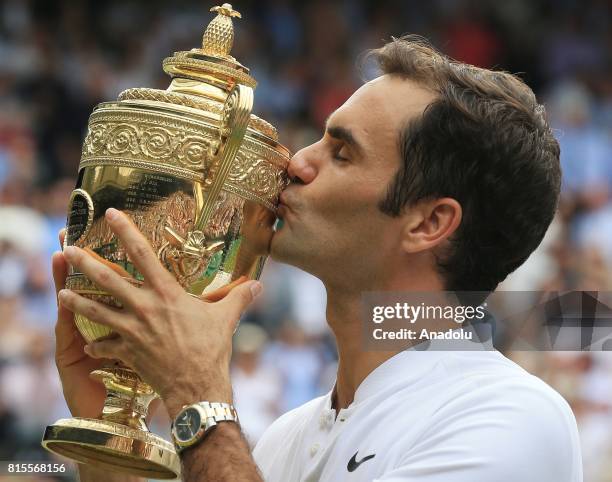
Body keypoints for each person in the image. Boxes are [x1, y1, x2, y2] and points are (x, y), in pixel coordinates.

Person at [53, 37, 582, 481]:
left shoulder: (510, 417)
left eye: (341, 153)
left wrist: (197, 392)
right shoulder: (287, 435)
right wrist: (114, 441)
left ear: (427, 224)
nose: (297, 161)